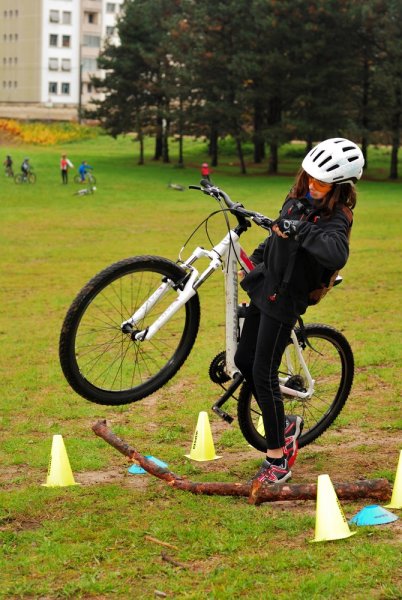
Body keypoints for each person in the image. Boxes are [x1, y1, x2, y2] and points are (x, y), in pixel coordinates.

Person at [235, 138, 364, 496]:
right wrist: (257, 262)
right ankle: (286, 423)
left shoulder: (337, 220)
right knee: (245, 361)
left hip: (286, 300)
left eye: (321, 183)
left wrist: (303, 231)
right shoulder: (297, 199)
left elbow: (336, 253)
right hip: (265, 288)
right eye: (310, 178)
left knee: (263, 372)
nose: (312, 186)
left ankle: (277, 459)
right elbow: (277, 235)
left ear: (339, 188)